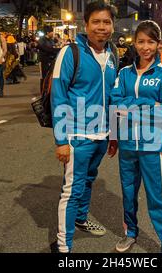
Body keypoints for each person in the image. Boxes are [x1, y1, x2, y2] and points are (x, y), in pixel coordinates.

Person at [51, 0, 118, 253]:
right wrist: (61, 141)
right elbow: (58, 96)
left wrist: (113, 134)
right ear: (86, 24)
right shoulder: (71, 53)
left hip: (102, 134)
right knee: (72, 189)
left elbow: (112, 95)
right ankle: (63, 246)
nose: (101, 27)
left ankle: (80, 218)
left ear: (112, 26)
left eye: (106, 22)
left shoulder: (113, 54)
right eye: (96, 22)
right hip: (77, 134)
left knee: (89, 179)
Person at [110, 20, 162, 253]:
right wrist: (148, 103)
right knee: (128, 194)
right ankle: (130, 233)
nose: (145, 46)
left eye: (150, 41)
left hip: (152, 145)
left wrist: (130, 105)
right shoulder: (124, 73)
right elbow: (114, 104)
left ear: (158, 44)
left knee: (158, 199)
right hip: (127, 145)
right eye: (141, 41)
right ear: (134, 43)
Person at [37, 25, 60, 90]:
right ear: (47, 32)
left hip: (51, 61)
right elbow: (48, 49)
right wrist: (57, 49)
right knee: (43, 77)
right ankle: (43, 93)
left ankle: (48, 92)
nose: (53, 33)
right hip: (43, 61)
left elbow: (53, 48)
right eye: (52, 32)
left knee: (50, 77)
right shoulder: (42, 40)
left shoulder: (51, 40)